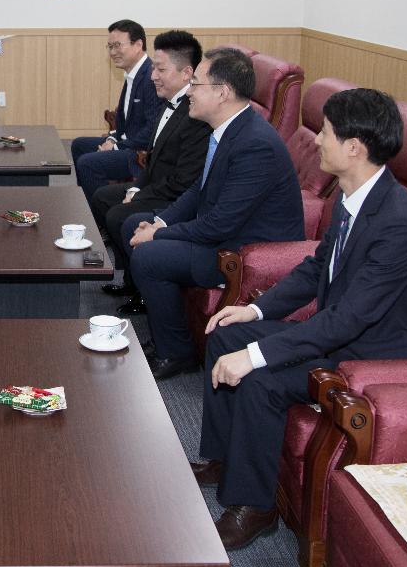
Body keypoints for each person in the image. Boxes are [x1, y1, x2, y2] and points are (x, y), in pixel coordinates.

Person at [192, 88, 407, 550]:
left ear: (354, 147)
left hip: (377, 357)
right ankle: (225, 458)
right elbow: (315, 269)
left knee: (261, 380)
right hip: (343, 334)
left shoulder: (399, 224)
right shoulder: (353, 199)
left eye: (326, 132)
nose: (318, 140)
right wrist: (255, 309)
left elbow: (349, 319)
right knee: (228, 335)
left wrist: (258, 355)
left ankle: (255, 507)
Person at [122, 47, 305, 380]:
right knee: (135, 222)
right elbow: (198, 190)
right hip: (224, 233)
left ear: (223, 93)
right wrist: (160, 222)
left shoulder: (254, 144)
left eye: (195, 85)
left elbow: (219, 223)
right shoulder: (227, 129)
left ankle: (176, 353)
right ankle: (165, 335)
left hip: (245, 250)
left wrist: (159, 235)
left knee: (149, 256)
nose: (188, 92)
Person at [90, 31, 210, 306]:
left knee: (121, 214)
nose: (153, 75)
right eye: (154, 67)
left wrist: (140, 196)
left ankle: (142, 290)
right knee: (102, 198)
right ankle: (129, 278)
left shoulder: (196, 114)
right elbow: (152, 158)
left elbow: (183, 180)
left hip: (172, 194)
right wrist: (135, 187)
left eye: (160, 69)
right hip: (155, 183)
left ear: (186, 73)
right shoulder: (167, 101)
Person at [69, 20, 161, 204]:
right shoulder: (132, 73)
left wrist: (117, 146)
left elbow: (152, 129)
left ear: (138, 45)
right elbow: (124, 121)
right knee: (79, 145)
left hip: (140, 152)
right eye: (110, 46)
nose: (112, 52)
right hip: (127, 142)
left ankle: (101, 213)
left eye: (118, 45)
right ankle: (90, 202)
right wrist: (112, 139)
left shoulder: (151, 76)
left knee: (88, 163)